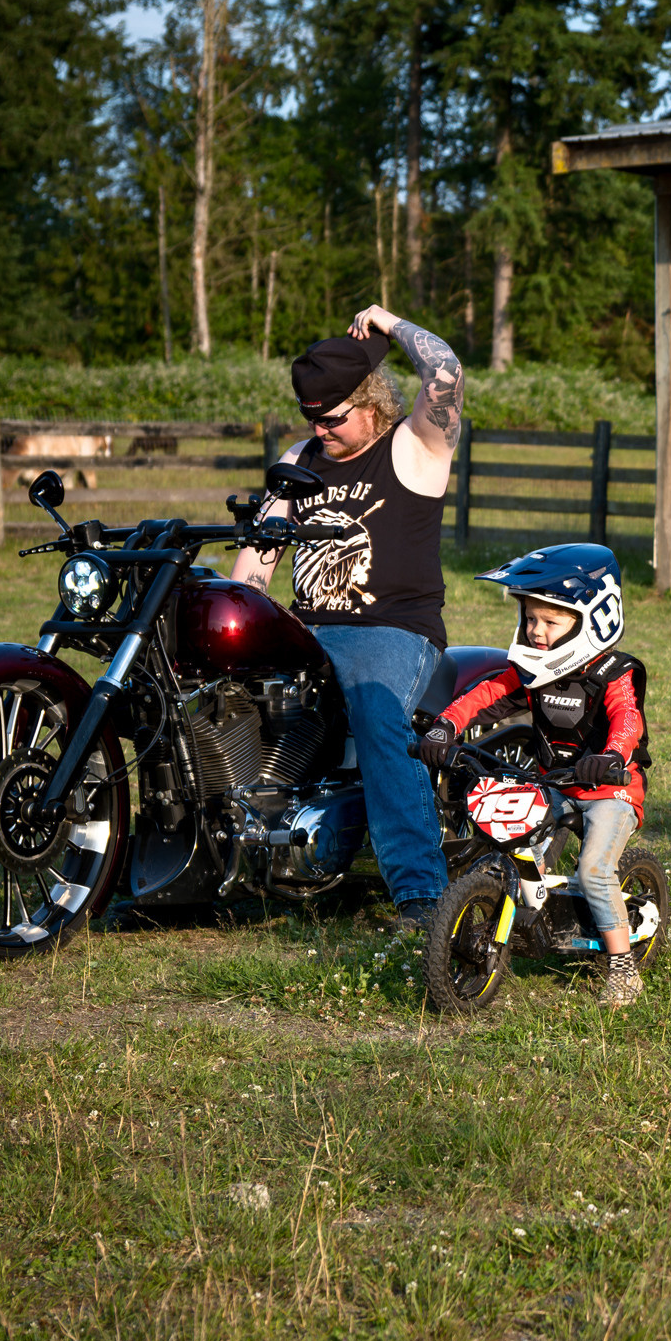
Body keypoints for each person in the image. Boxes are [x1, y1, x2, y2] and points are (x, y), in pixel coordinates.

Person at [232, 305, 465, 930]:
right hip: (306, 629)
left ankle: (422, 898)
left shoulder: (416, 444)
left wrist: (391, 324)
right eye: (310, 417)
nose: (320, 429)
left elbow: (446, 371)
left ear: (371, 401)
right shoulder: (300, 457)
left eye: (331, 418)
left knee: (374, 710)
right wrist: (242, 617)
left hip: (392, 630)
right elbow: (259, 557)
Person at [412, 544, 653, 1008]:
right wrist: (445, 727)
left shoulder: (614, 673)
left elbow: (627, 720)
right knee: (513, 848)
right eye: (531, 619)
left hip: (611, 789)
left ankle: (623, 971)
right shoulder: (531, 671)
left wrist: (612, 756)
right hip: (556, 782)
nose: (537, 632)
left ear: (592, 618)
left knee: (595, 871)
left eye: (551, 621)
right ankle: (530, 924)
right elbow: (485, 693)